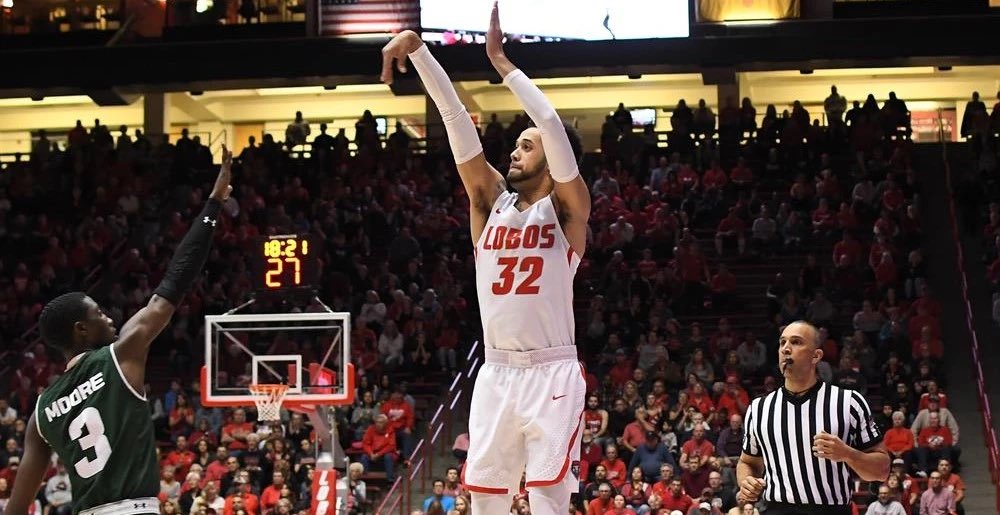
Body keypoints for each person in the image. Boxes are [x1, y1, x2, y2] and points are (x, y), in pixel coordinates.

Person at [380, 4, 591, 515]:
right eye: (515, 145)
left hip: (552, 372)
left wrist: (500, 62)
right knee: (485, 503)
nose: (514, 152)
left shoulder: (567, 211)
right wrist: (422, 54)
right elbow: (458, 127)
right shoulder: (487, 204)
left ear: (553, 161)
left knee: (546, 502)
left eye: (525, 147)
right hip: (495, 370)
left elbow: (549, 122)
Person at [5, 148, 233, 515]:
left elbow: (16, 507)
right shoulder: (119, 355)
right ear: (81, 330)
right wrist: (213, 205)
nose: (109, 318)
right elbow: (175, 280)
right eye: (98, 313)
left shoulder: (41, 412)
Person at [737, 321, 889, 515]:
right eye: (782, 342)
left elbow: (882, 470)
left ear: (816, 356)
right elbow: (748, 462)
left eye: (796, 342)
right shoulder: (759, 408)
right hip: (777, 509)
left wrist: (847, 454)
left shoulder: (848, 402)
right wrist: (746, 481)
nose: (786, 349)